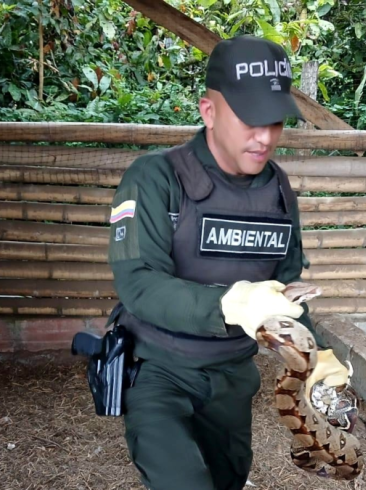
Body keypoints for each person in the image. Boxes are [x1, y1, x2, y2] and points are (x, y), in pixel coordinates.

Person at [106, 35, 351, 490]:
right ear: (209, 111)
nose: (265, 136)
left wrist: (318, 356)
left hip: (233, 376)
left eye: (275, 121)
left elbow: (286, 287)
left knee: (228, 478)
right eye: (249, 120)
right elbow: (137, 284)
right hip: (159, 369)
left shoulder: (278, 190)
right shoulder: (155, 178)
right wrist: (230, 305)